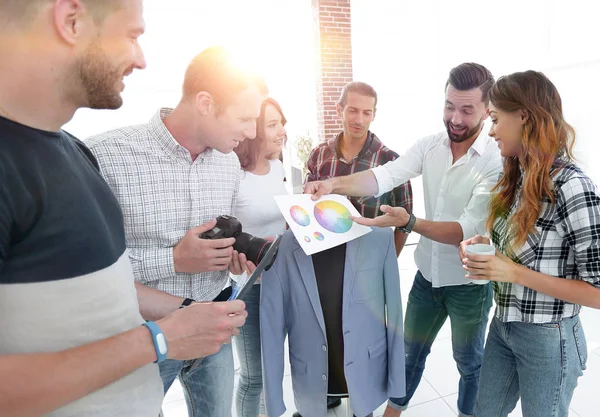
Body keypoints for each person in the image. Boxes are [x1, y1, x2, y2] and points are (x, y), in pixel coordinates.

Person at [0, 1, 247, 416]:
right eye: (133, 35)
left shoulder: (75, 153)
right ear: (71, 20)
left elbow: (104, 292)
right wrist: (160, 340)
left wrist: (190, 316)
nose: (141, 60)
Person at [304, 63, 503, 417]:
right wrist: (332, 184)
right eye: (449, 106)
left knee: (469, 362)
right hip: (427, 277)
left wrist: (409, 222)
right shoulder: (430, 146)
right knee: (409, 355)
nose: (455, 118)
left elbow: (464, 228)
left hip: (468, 284)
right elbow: (385, 175)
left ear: (487, 111)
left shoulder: (493, 161)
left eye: (467, 110)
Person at [86, 45, 266, 417]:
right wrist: (172, 259)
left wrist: (229, 260)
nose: (252, 132)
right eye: (245, 118)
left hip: (214, 324)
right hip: (145, 336)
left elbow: (218, 240)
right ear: (205, 102)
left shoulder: (229, 162)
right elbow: (87, 273)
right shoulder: (105, 157)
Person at [459, 71, 600, 417]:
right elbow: (533, 252)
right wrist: (491, 249)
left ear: (523, 115)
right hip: (504, 325)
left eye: (494, 119)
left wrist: (514, 272)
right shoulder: (517, 177)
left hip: (548, 340)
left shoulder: (572, 186)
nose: (489, 130)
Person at [305, 81, 413, 257]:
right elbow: (308, 207)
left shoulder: (390, 162)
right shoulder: (319, 155)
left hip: (369, 261)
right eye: (353, 110)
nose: (359, 120)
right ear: (339, 110)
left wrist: (387, 261)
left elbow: (404, 223)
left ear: (374, 115)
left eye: (366, 113)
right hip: (324, 257)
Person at [232, 97, 288, 417]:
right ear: (253, 130)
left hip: (279, 280)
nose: (282, 131)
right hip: (248, 286)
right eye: (272, 125)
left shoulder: (278, 167)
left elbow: (282, 219)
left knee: (272, 369)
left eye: (281, 123)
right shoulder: (234, 173)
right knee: (253, 377)